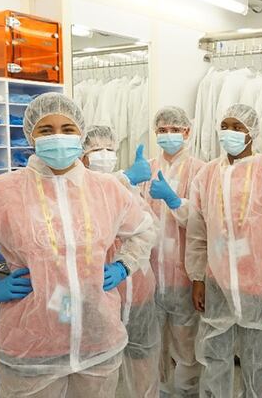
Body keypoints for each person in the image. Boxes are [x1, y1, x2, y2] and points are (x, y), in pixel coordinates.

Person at [0, 93, 156, 397]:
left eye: (67, 129)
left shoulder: (108, 190)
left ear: (80, 134)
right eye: (46, 130)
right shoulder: (0, 193)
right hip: (32, 348)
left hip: (98, 341)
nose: (58, 137)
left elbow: (144, 230)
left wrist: (124, 265)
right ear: (30, 136)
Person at [186, 103, 262, 397]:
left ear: (251, 132)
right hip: (218, 283)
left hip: (259, 284)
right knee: (215, 356)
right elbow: (197, 232)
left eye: (237, 127)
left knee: (258, 360)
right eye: (225, 126)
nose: (229, 132)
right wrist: (198, 278)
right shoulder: (206, 175)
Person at [82, 125, 161, 398]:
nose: (104, 154)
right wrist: (124, 178)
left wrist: (125, 264)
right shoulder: (75, 190)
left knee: (142, 357)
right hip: (96, 291)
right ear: (82, 156)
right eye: (96, 149)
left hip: (135, 283)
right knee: (96, 365)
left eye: (109, 149)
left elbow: (151, 229)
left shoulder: (128, 190)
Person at [135, 106, 205, 397]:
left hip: (184, 273)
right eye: (162, 130)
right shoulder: (147, 169)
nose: (168, 135)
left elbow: (203, 222)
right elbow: (135, 216)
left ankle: (186, 392)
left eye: (174, 129)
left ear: (187, 132)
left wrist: (175, 201)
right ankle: (161, 391)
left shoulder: (201, 170)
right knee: (153, 344)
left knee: (187, 345)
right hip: (151, 272)